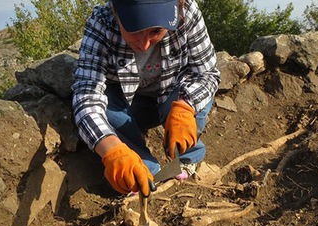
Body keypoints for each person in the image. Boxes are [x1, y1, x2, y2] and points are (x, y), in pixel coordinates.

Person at [72, 0, 220, 198]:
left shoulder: (186, 12)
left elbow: (206, 73)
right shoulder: (102, 23)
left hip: (172, 95)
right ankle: (139, 171)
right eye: (134, 29)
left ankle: (187, 158)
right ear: (115, 10)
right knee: (105, 103)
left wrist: (186, 106)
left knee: (196, 93)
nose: (144, 44)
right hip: (131, 106)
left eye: (156, 31)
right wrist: (112, 150)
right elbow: (87, 95)